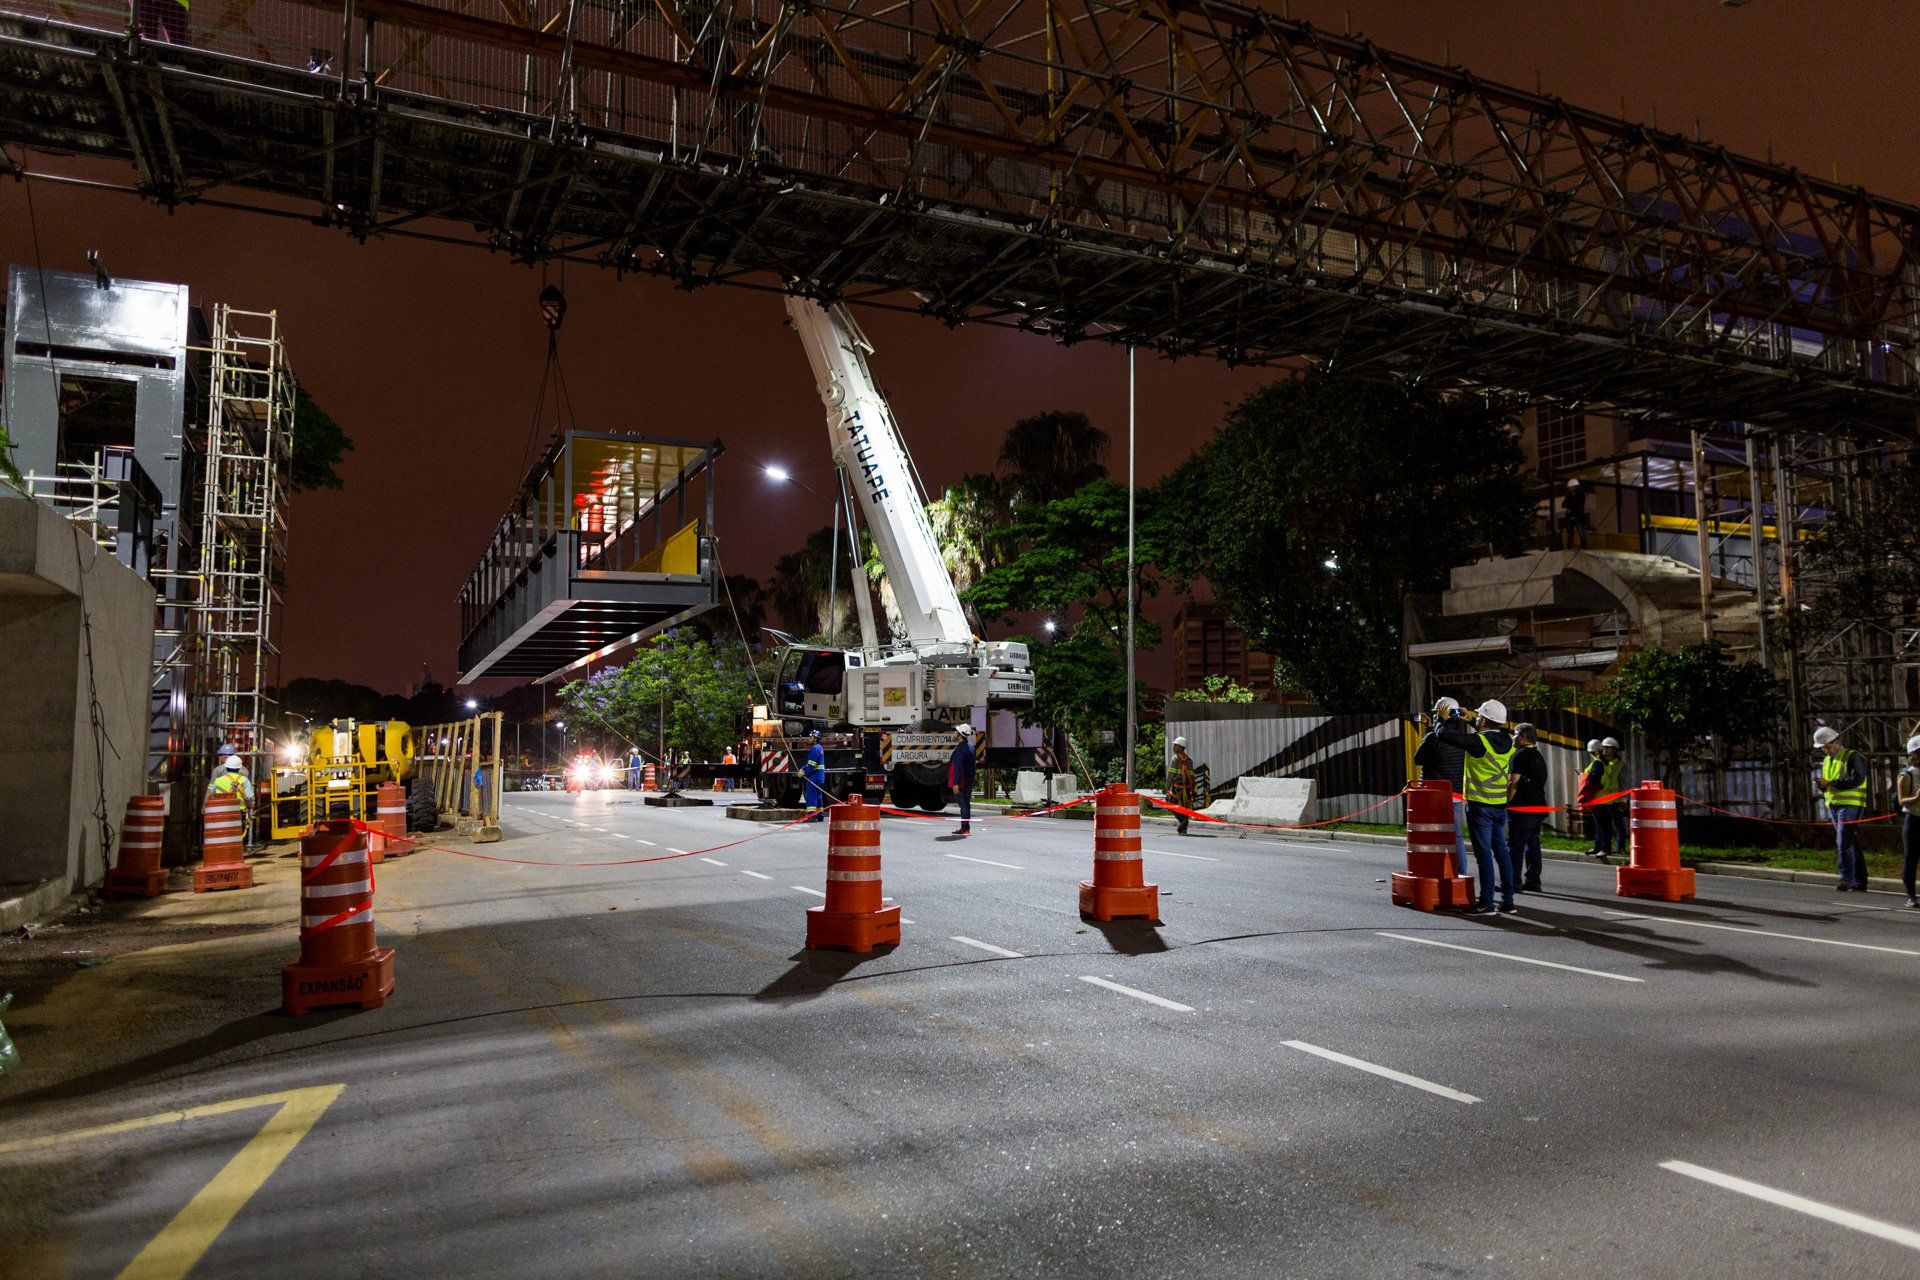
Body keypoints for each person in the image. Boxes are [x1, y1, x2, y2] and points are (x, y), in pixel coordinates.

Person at [1460, 699, 1517, 913]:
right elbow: (1489, 735)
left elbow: (1445, 735)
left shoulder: (1478, 741)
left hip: (1480, 806)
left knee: (1484, 855)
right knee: (1502, 853)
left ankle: (1486, 902)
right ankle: (1508, 902)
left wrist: (1442, 720)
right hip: (1499, 805)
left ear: (1484, 718)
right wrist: (1472, 719)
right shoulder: (1509, 741)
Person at [1413, 696, 1474, 877]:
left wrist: (1431, 730)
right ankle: (1460, 875)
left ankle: (1435, 873)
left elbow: (1418, 759)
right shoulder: (1461, 738)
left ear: (1441, 714)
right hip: (1454, 794)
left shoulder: (1433, 738)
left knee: (1432, 838)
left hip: (1434, 796)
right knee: (1456, 838)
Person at [1813, 726, 1870, 891]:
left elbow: (1858, 779)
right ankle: (1860, 881)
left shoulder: (1853, 756)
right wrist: (1823, 786)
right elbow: (1829, 785)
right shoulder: (1827, 761)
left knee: (1843, 841)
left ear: (1837, 742)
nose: (1825, 750)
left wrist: (1830, 783)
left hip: (1851, 804)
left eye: (1828, 747)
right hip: (1834, 805)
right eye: (1823, 748)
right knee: (1850, 842)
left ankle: (1847, 879)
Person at [1506, 723, 1549, 892]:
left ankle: (1512, 883)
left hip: (1522, 808)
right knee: (1532, 846)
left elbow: (1513, 782)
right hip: (1538, 807)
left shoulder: (1519, 755)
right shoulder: (1538, 756)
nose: (1513, 737)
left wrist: (1507, 801)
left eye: (1515, 734)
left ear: (1522, 735)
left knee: (1515, 847)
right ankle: (1533, 881)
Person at [206, 754, 257, 848]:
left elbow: (210, 796)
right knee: (236, 835)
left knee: (222, 834)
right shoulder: (244, 780)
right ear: (239, 768)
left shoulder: (217, 780)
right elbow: (250, 797)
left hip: (220, 812)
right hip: (238, 812)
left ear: (226, 767)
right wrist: (251, 810)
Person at [1166, 736, 1209, 835]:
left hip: (1177, 788)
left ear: (1180, 747)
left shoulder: (1175, 759)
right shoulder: (1189, 760)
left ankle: (1183, 820)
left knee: (1171, 804)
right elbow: (1192, 776)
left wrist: (1167, 787)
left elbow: (1171, 775)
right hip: (1187, 788)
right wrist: (1194, 790)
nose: (1173, 747)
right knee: (1184, 807)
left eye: (1175, 745)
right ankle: (1183, 830)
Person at [1898, 735, 1920, 909]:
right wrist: (1916, 797)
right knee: (1911, 859)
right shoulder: (1906, 776)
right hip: (1913, 820)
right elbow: (1902, 800)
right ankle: (1911, 895)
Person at [948, 723, 978, 837]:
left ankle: (965, 827)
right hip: (968, 780)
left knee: (964, 805)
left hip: (961, 782)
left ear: (960, 735)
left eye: (957, 732)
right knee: (966, 804)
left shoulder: (961, 748)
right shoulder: (970, 746)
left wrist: (955, 783)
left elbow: (958, 766)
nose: (955, 734)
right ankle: (965, 826)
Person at [801, 729, 828, 820]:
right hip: (820, 777)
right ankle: (820, 815)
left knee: (811, 795)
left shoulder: (815, 748)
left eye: (811, 737)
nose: (809, 739)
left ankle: (812, 815)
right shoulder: (820, 748)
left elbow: (812, 765)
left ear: (816, 738)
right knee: (818, 796)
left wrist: (803, 771)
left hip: (814, 777)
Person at [1559, 478, 1588, 550]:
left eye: (1571, 487)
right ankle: (1570, 546)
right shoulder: (1568, 495)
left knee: (1581, 531)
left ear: (1575, 487)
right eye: (1569, 487)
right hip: (1570, 516)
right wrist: (1572, 504)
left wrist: (1570, 505)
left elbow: (1579, 504)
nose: (1570, 488)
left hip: (1578, 516)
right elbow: (1563, 505)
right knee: (1569, 533)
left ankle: (1584, 546)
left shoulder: (1581, 494)